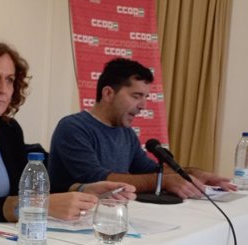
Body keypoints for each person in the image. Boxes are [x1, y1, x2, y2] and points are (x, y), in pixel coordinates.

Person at [0, 41, 135, 229]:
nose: (2, 89)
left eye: (9, 80)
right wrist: (35, 204)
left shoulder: (8, 129)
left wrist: (85, 189)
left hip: (0, 235)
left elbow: (25, 186)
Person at [48, 58, 235, 198]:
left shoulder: (126, 132)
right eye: (136, 96)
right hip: (72, 223)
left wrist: (194, 174)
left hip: (112, 214)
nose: (143, 105)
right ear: (108, 93)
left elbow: (150, 170)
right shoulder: (73, 128)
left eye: (145, 97)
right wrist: (163, 182)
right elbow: (96, 179)